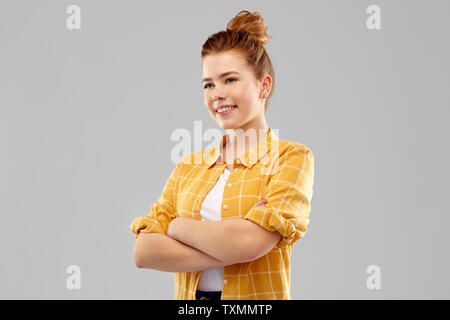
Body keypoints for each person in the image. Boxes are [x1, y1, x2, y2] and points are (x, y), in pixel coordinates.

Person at [129, 10, 315, 300]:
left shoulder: (291, 158)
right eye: (208, 84)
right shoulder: (189, 166)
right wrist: (233, 248)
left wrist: (177, 227)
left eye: (230, 80)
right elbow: (144, 252)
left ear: (263, 86)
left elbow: (249, 243)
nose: (217, 94)